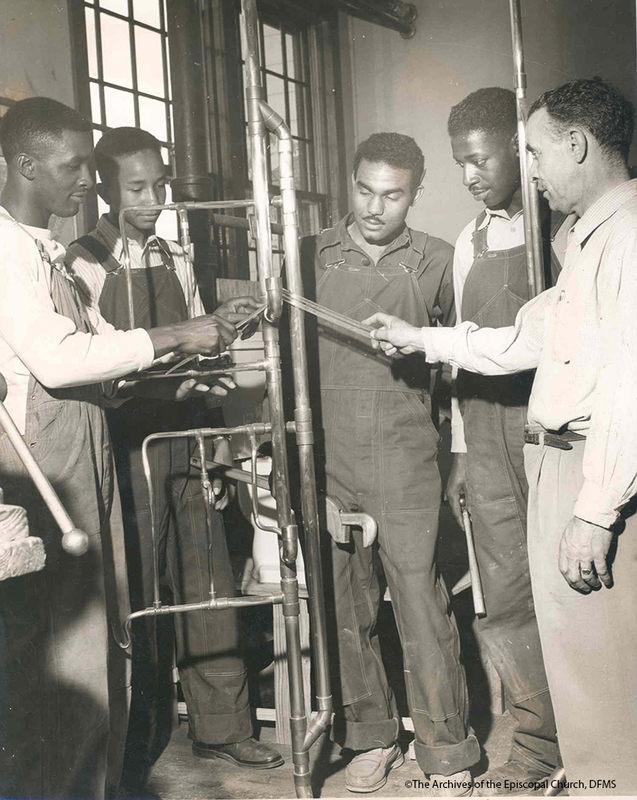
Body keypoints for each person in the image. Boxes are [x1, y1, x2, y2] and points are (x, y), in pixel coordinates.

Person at [366, 77, 637, 796]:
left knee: (595, 645)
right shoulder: (570, 239)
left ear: (574, 145)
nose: (530, 170)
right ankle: (563, 759)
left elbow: (627, 388)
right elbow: (518, 337)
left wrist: (595, 508)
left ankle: (602, 776)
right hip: (515, 440)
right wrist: (420, 337)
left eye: (533, 152)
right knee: (535, 617)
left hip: (579, 455)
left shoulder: (611, 238)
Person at [0, 97, 257, 800]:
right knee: (48, 665)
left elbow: (102, 355)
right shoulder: (6, 253)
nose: (88, 180)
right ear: (26, 165)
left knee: (95, 652)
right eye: (74, 165)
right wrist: (177, 335)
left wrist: (201, 331)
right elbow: (58, 361)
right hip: (44, 470)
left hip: (89, 453)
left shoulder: (44, 252)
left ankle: (94, 785)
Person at [66, 126, 283, 791]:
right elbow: (88, 369)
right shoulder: (81, 265)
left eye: (160, 185)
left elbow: (195, 344)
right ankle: (131, 741)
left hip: (183, 437)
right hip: (122, 446)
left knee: (206, 577)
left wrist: (221, 345)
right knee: (135, 596)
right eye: (137, 188)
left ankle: (226, 727)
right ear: (103, 188)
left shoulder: (176, 254)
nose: (154, 199)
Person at [295, 132, 480, 795]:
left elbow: (461, 363)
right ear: (351, 182)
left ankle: (446, 748)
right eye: (365, 190)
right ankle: (369, 738)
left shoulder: (435, 259)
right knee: (345, 606)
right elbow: (288, 365)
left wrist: (456, 449)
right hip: (331, 457)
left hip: (405, 457)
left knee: (420, 604)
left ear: (415, 194)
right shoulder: (309, 254)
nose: (375, 208)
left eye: (392, 195)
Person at [444, 87, 565, 791]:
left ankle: (598, 737)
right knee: (507, 596)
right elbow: (461, 353)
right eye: (460, 163)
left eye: (481, 158)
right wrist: (461, 448)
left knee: (569, 589)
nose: (469, 175)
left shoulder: (561, 230)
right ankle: (537, 747)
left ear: (520, 153)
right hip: (486, 435)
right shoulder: (468, 240)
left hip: (549, 428)